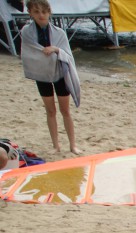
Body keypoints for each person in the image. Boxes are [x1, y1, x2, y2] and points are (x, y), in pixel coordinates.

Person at [20, 0, 79, 154]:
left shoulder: (59, 32)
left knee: (65, 111)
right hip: (41, 74)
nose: (41, 15)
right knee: (50, 111)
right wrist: (46, 53)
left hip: (60, 74)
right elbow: (29, 52)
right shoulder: (27, 31)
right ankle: (56, 146)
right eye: (37, 12)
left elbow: (68, 56)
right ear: (30, 13)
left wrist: (56, 49)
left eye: (44, 12)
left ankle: (73, 145)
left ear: (49, 12)